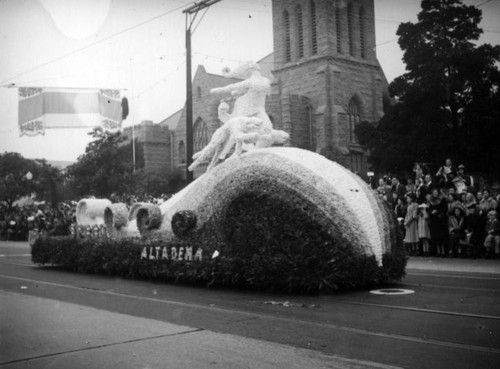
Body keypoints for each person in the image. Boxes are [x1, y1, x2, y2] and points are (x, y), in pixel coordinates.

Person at [428, 188, 449, 257]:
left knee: (442, 237)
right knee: (435, 237)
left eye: (436, 192)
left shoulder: (442, 200)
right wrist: (431, 212)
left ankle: (443, 252)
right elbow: (429, 209)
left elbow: (444, 208)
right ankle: (438, 251)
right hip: (434, 220)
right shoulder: (431, 200)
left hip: (441, 220)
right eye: (434, 192)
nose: (435, 193)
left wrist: (437, 211)